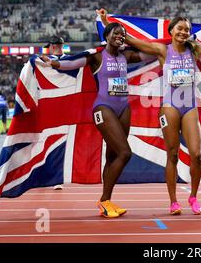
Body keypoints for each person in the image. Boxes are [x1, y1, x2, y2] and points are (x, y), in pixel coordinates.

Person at [97, 9, 201, 215]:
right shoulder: (163, 50)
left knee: (196, 155)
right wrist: (105, 21)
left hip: (189, 107)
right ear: (171, 31)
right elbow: (132, 40)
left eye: (187, 29)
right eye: (180, 29)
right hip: (170, 107)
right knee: (172, 155)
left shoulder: (195, 50)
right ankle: (173, 202)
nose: (184, 32)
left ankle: (193, 197)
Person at [41, 22, 145, 218]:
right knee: (125, 153)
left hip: (124, 108)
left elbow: (151, 53)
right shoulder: (96, 56)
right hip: (104, 108)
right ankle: (104, 200)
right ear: (106, 36)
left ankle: (108, 201)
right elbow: (72, 63)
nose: (120, 36)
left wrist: (169, 45)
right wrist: (53, 63)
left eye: (123, 34)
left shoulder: (126, 56)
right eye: (116, 33)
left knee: (113, 156)